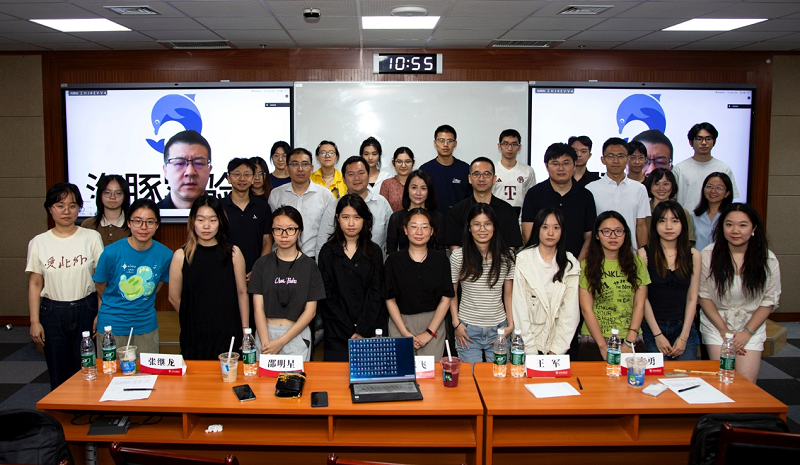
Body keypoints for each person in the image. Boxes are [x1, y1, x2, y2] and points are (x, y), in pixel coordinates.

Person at [27, 183, 104, 389]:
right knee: (58, 369)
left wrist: (100, 313)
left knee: (87, 368)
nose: (66, 211)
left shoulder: (91, 238)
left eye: (72, 205)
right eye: (60, 206)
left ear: (79, 208)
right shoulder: (39, 242)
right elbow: (35, 283)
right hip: (53, 311)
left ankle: (87, 406)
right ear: (50, 208)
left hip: (86, 308)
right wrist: (34, 321)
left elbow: (100, 280)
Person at [699, 203, 781, 383]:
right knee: (722, 380)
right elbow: (703, 296)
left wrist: (746, 333)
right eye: (729, 224)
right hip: (717, 324)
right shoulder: (708, 254)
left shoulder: (768, 259)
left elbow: (769, 301)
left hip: (750, 324)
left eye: (742, 225)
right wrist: (725, 332)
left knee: (746, 383)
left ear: (754, 228)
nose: (735, 230)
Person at [168, 195, 249, 360]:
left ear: (221, 221)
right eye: (200, 220)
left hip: (228, 332)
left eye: (212, 220)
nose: (206, 226)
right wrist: (193, 316)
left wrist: (245, 330)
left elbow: (242, 293)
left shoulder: (233, 253)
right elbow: (174, 298)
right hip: (194, 334)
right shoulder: (181, 255)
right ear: (192, 221)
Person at [94, 199, 173, 354]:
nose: (143, 227)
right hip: (112, 325)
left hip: (145, 325)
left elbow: (156, 287)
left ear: (157, 225)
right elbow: (100, 286)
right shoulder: (111, 252)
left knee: (146, 369)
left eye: (150, 222)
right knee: (111, 369)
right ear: (129, 223)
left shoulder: (166, 255)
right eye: (137, 221)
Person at [248, 206, 326, 361]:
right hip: (265, 336)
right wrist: (267, 344)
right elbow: (258, 308)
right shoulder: (261, 264)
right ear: (271, 232)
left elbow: (310, 312)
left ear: (299, 231)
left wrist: (281, 342)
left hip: (296, 336)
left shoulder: (310, 266)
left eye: (290, 229)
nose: (284, 235)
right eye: (278, 229)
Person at [318, 194, 386, 361]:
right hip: (337, 333)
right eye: (345, 217)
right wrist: (349, 329)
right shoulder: (327, 252)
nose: (351, 223)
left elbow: (376, 293)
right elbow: (327, 296)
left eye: (357, 217)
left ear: (365, 219)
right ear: (337, 218)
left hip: (370, 330)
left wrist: (361, 329)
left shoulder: (374, 251)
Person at [578, 211, 650, 360]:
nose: (613, 236)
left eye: (618, 231)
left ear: (625, 234)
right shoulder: (586, 266)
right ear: (597, 235)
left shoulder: (637, 263)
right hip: (594, 340)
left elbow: (639, 304)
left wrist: (629, 341)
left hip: (631, 338)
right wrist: (602, 346)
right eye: (606, 231)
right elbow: (586, 309)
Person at [449, 204, 515, 363]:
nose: (482, 229)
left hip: (499, 328)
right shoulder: (458, 256)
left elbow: (508, 294)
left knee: (499, 376)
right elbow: (452, 293)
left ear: (494, 227)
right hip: (468, 329)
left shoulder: (507, 257)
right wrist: (456, 323)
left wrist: (511, 325)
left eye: (487, 224)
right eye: (477, 224)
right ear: (469, 228)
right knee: (471, 376)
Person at [384, 208, 454, 357]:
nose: (419, 232)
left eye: (424, 227)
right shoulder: (393, 261)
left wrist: (429, 332)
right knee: (403, 370)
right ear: (405, 230)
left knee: (431, 371)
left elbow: (446, 298)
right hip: (400, 323)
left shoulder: (441, 261)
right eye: (414, 226)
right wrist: (405, 333)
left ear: (432, 231)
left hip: (433, 324)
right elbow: (389, 299)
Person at [637, 201, 701, 360]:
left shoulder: (694, 255)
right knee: (656, 374)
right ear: (655, 224)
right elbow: (642, 298)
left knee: (685, 374)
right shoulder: (644, 254)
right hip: (652, 327)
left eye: (675, 221)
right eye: (662, 221)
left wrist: (684, 337)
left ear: (683, 224)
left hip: (683, 327)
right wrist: (657, 334)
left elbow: (692, 298)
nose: (668, 226)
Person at [512, 207, 580, 355]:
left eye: (556, 227)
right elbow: (519, 308)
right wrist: (530, 351)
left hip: (558, 344)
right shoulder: (523, 259)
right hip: (528, 343)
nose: (550, 233)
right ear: (537, 229)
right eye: (545, 227)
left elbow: (570, 313)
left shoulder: (570, 263)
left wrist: (556, 350)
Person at [521, 143, 596, 261]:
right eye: (555, 164)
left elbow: (589, 237)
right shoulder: (534, 194)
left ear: (574, 165)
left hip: (576, 264)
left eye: (566, 163)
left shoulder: (585, 196)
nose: (561, 168)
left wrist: (577, 265)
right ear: (546, 166)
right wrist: (542, 263)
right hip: (541, 264)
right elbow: (528, 234)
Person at [316, 156, 393, 257]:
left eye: (361, 173)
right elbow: (322, 243)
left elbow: (392, 238)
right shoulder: (334, 207)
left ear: (368, 175)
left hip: (376, 263)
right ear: (343, 179)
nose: (357, 178)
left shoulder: (382, 203)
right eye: (351, 174)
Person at [268, 148, 336, 260]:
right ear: (287, 169)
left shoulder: (325, 195)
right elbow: (271, 230)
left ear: (312, 168)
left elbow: (330, 231)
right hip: (281, 258)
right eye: (295, 164)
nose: (300, 169)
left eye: (305, 164)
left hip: (314, 258)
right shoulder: (276, 194)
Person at [443, 157, 523, 250]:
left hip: (499, 259)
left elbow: (510, 249)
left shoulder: (507, 211)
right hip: (465, 259)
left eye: (487, 174)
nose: (481, 179)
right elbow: (454, 248)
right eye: (476, 174)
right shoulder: (457, 211)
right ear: (469, 178)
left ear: (494, 179)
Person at [585, 137, 650, 249]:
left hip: (631, 253)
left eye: (620, 156)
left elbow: (641, 226)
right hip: (599, 253)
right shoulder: (591, 189)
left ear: (627, 159)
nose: (616, 161)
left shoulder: (639, 189)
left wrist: (643, 253)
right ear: (603, 160)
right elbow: (588, 229)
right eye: (610, 156)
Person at [222, 158, 273, 279]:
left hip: (255, 271)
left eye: (247, 174)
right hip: (225, 271)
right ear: (229, 178)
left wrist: (259, 269)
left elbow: (267, 240)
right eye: (237, 174)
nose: (242, 179)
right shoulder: (219, 207)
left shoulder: (263, 207)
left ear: (252, 178)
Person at [673, 122, 739, 210]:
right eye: (699, 139)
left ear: (714, 142)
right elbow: (673, 198)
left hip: (717, 218)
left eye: (708, 138)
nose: (704, 142)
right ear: (690, 142)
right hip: (686, 217)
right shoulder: (679, 169)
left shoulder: (724, 169)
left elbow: (730, 198)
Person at [386, 170, 445, 254]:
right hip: (401, 261)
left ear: (429, 191)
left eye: (423, 188)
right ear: (407, 189)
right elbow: (391, 250)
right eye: (414, 187)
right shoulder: (396, 217)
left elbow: (440, 249)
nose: (418, 193)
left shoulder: (438, 217)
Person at [420, 124, 471, 217]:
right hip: (432, 220)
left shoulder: (465, 169)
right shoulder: (425, 170)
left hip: (459, 221)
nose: (445, 145)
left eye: (449, 141)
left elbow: (470, 199)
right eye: (441, 140)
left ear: (455, 144)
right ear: (435, 143)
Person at [157, 130, 212, 209]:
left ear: (209, 170)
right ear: (165, 171)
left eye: (199, 163)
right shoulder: (153, 215)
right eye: (180, 163)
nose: (190, 172)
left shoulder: (226, 214)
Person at [643, 168, 695, 246]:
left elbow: (688, 240)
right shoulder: (643, 212)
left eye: (665, 184)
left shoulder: (683, 212)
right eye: (656, 184)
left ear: (672, 186)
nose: (661, 188)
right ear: (650, 186)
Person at [492, 129, 535, 220]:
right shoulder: (492, 170)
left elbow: (531, 199)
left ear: (519, 147)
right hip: (495, 219)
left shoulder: (527, 171)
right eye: (506, 144)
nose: (510, 148)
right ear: (499, 146)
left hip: (520, 221)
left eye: (514, 144)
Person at [80, 174, 131, 246]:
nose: (112, 197)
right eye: (107, 192)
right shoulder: (88, 225)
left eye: (118, 193)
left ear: (125, 196)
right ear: (100, 195)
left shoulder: (133, 225)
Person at [692, 172, 733, 252]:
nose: (713, 191)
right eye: (709, 187)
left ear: (727, 193)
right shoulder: (694, 216)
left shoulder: (730, 216)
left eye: (719, 188)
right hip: (698, 259)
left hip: (723, 259)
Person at [379, 147, 415, 212]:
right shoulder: (387, 184)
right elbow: (382, 209)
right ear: (393, 163)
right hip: (392, 218)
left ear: (413, 163)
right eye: (399, 161)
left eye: (407, 161)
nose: (403, 165)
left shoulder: (418, 183)